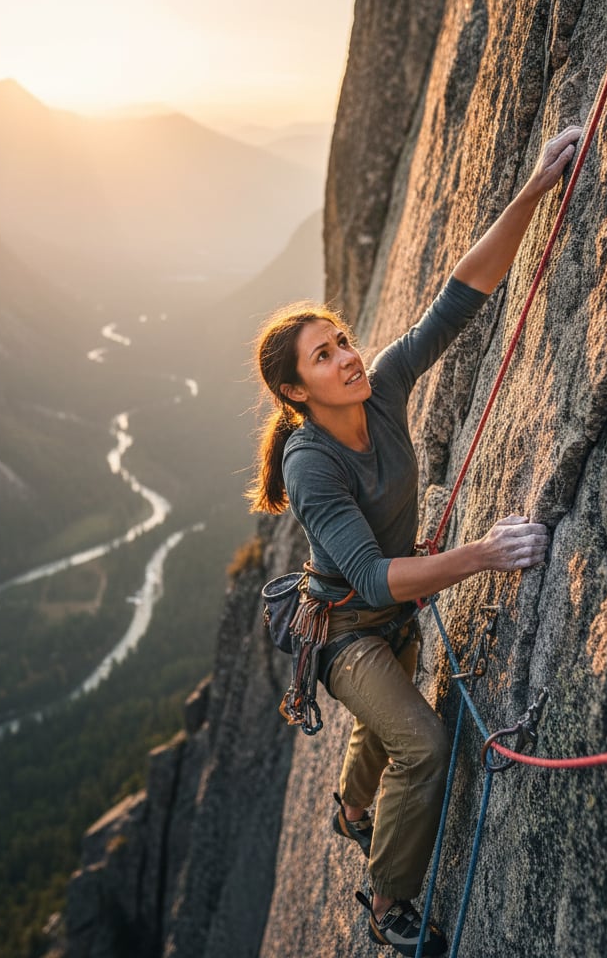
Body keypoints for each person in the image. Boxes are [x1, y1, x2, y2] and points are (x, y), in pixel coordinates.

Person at [247, 125, 582, 956]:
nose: (348, 358)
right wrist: (480, 556)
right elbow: (366, 575)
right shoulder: (312, 463)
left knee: (383, 725)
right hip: (347, 630)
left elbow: (459, 296)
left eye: (343, 342)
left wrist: (535, 188)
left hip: (387, 619)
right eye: (324, 358)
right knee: (422, 744)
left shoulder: (383, 386)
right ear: (295, 391)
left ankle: (352, 813)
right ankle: (388, 899)